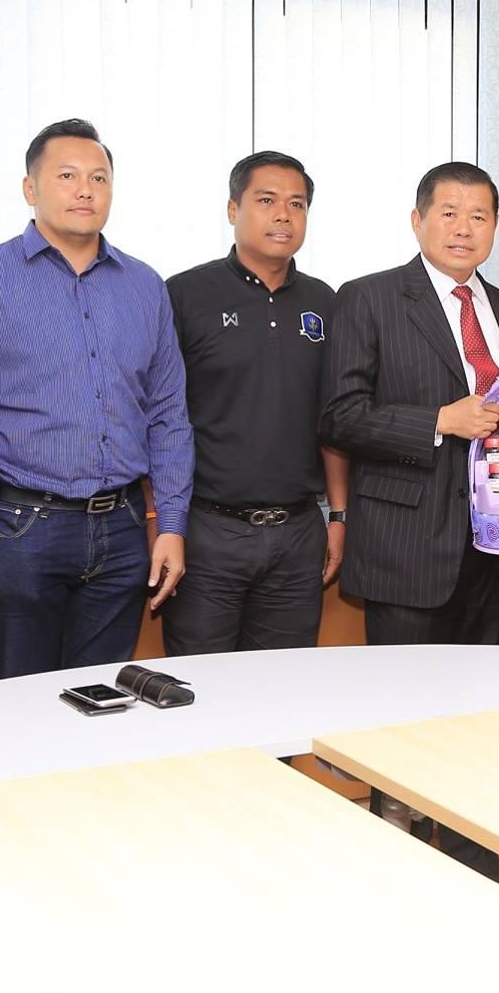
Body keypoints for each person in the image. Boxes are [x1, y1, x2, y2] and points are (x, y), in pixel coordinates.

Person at [320, 160, 499, 882]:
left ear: (495, 227)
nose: (464, 227)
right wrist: (439, 420)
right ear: (418, 221)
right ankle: (398, 861)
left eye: (479, 215)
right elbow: (340, 415)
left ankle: (474, 860)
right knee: (404, 719)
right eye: (448, 212)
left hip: (494, 547)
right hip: (407, 544)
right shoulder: (369, 298)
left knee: (479, 717)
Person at [0, 119, 192, 678]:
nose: (85, 190)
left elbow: (168, 415)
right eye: (67, 175)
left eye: (99, 177)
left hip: (122, 527)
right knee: (16, 697)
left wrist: (171, 525)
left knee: (104, 694)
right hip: (21, 527)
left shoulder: (145, 286)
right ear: (30, 189)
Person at [164, 152, 348, 654]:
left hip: (299, 532)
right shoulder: (184, 295)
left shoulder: (326, 302)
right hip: (209, 531)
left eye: (297, 204)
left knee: (283, 686)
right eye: (266, 201)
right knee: (199, 684)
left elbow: (335, 419)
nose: (283, 215)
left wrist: (338, 516)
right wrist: (164, 526)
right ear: (233, 209)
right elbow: (160, 416)